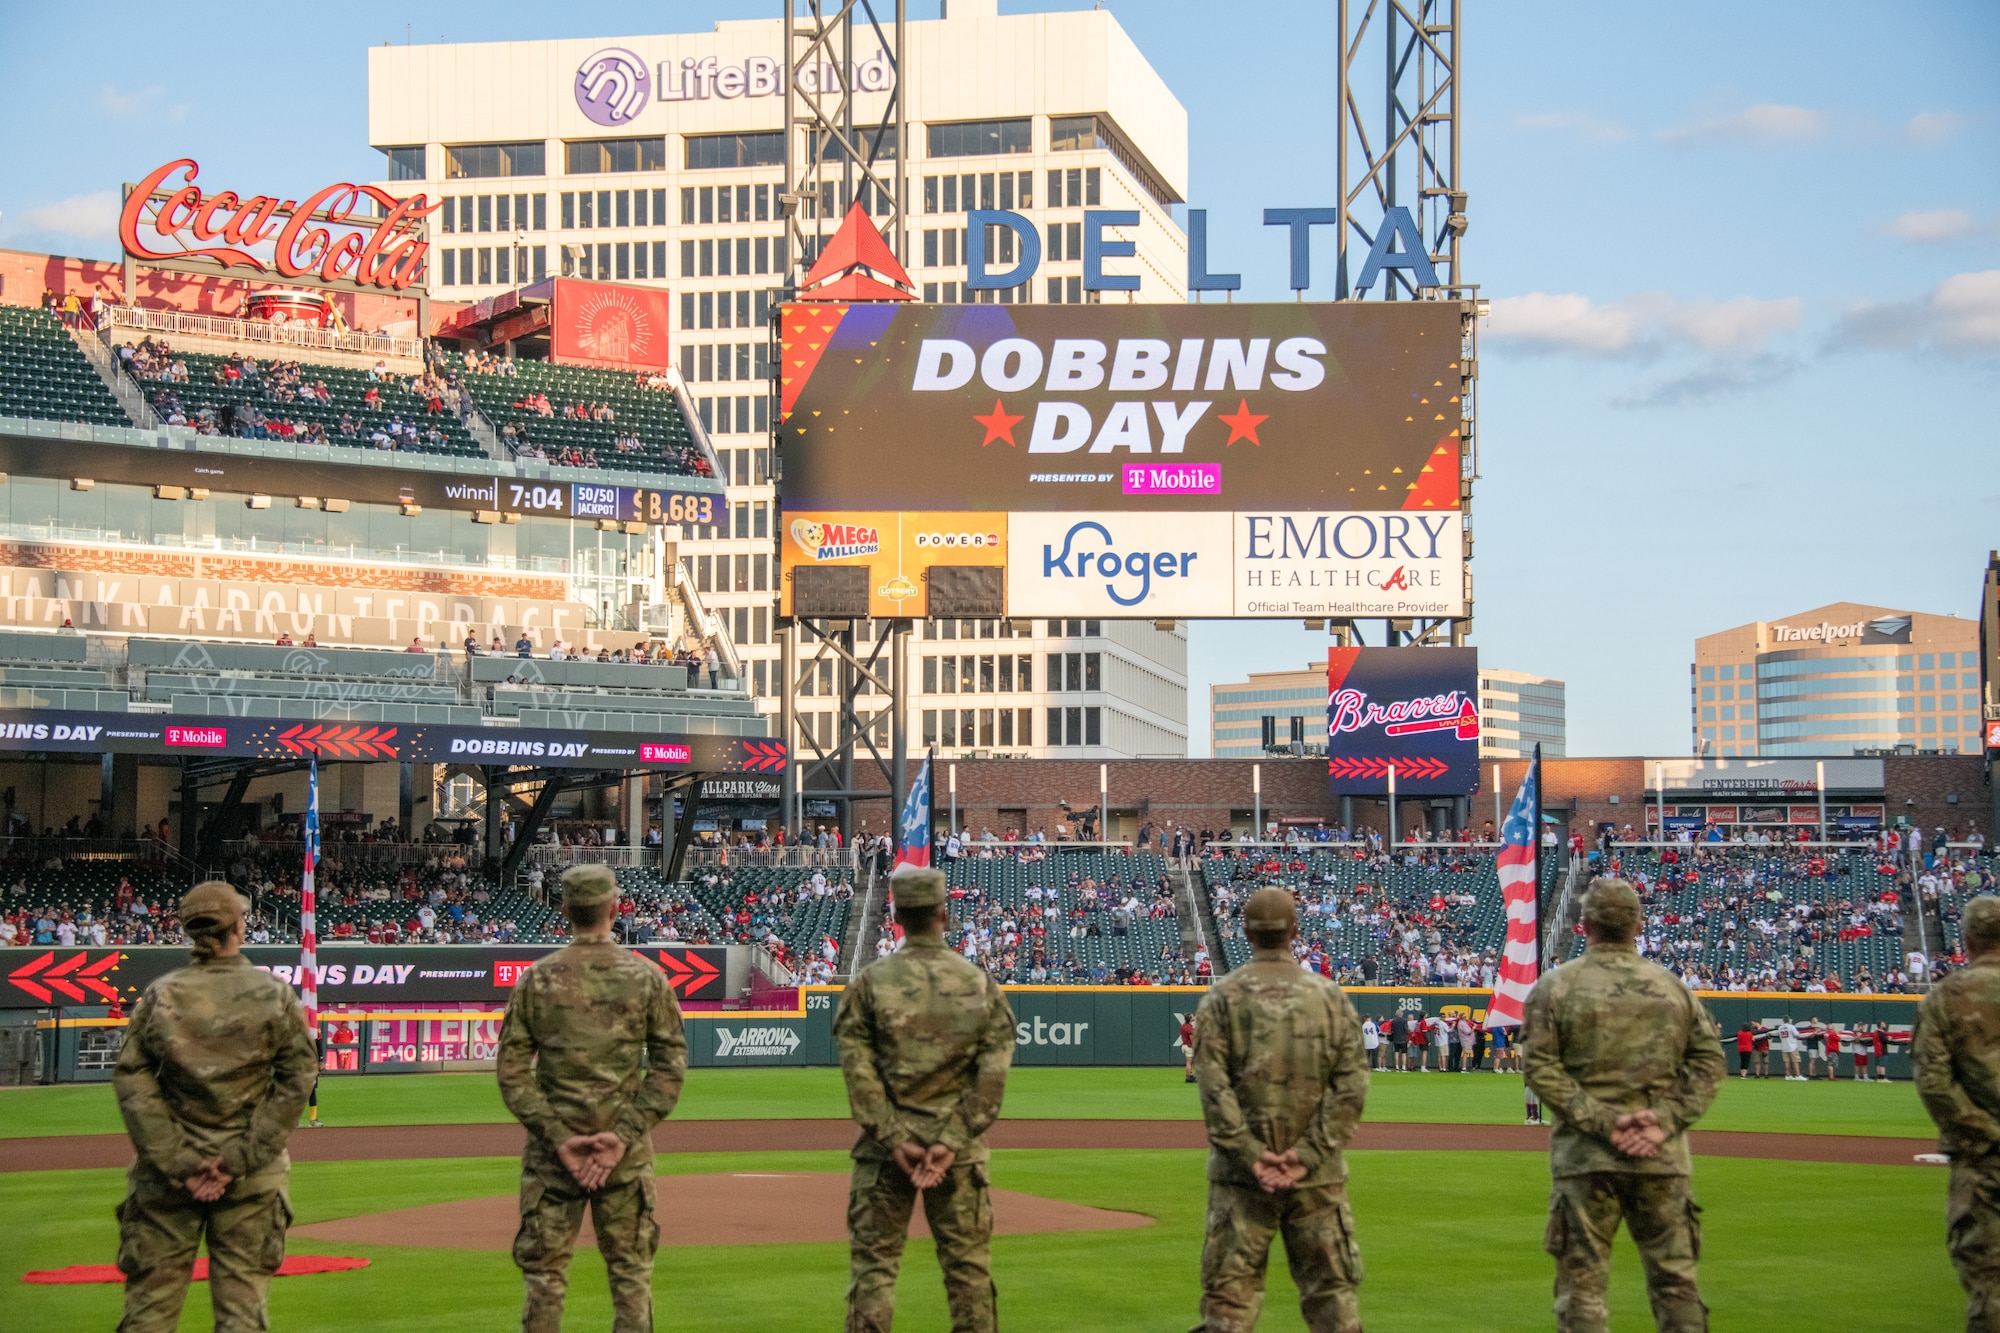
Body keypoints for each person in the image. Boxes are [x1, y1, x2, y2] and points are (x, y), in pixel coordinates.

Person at [111, 881, 317, 1332]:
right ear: (238, 927)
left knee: (149, 1315)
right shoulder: (274, 995)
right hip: (251, 1179)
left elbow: (132, 1079)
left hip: (165, 1180)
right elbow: (297, 1079)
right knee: (242, 1317)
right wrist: (237, 1160)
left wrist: (177, 1160)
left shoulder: (160, 994)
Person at [1523, 878, 1726, 1333]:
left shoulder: (1556, 986)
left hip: (1585, 1159)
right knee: (1676, 1286)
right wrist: (1662, 1120)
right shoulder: (1672, 988)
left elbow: (1539, 1069)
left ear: (1584, 925)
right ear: (1638, 924)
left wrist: (1606, 1123)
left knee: (1582, 1290)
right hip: (1661, 1155)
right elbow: (1710, 1064)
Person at [496, 865, 687, 1333]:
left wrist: (559, 1137)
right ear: (615, 908)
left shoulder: (537, 980)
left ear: (563, 910)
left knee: (544, 1281)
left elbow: (512, 1072)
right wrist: (622, 1137)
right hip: (623, 1158)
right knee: (631, 1281)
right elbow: (670, 1067)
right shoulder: (645, 978)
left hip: (552, 1159)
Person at [833, 863, 1016, 1333]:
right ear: (944, 915)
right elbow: (990, 1081)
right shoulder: (980, 985)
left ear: (895, 914)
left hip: (881, 1154)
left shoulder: (869, 984)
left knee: (874, 1274)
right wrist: (951, 1140)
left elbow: (860, 1075)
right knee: (968, 1274)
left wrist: (894, 1136)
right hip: (958, 1156)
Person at [1191, 886, 1369, 1333]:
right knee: (1333, 1303)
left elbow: (1214, 1091)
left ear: (1246, 932)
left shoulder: (1221, 998)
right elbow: (1351, 1088)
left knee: (1229, 1306)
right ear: (1294, 931)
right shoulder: (1329, 997)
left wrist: (1253, 1156)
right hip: (1318, 1178)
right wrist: (1305, 1156)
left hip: (1240, 1180)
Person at [1914, 894, 2000, 1330]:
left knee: (1988, 1282)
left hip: (1984, 1159)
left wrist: (1981, 1132)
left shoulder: (1947, 996)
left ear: (1967, 939)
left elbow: (1933, 1082)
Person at [1183, 1013, 1199, 1083]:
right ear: (1190, 1018)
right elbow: (1192, 1038)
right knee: (1190, 1062)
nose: (1194, 1017)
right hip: (1189, 1046)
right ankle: (1189, 1077)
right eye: (1192, 1016)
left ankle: (1190, 1076)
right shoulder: (1189, 1028)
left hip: (1185, 1045)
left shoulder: (1183, 1026)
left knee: (1190, 1062)